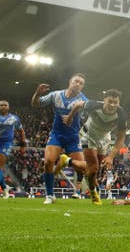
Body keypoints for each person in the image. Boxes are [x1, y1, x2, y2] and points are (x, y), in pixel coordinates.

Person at [62, 89, 128, 205]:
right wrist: (69, 117)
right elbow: (78, 105)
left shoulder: (121, 115)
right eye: (110, 101)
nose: (112, 105)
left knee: (94, 169)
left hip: (104, 139)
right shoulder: (93, 105)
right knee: (94, 168)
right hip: (88, 135)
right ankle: (94, 195)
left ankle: (68, 161)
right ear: (104, 100)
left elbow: (121, 138)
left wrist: (111, 156)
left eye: (115, 102)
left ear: (119, 103)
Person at [31, 73, 89, 204]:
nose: (78, 84)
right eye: (76, 81)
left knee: (83, 168)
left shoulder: (83, 99)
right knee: (48, 162)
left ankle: (66, 162)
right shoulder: (55, 95)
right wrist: (37, 93)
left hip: (73, 137)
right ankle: (50, 195)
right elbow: (35, 104)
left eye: (81, 83)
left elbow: (89, 115)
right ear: (70, 81)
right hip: (56, 135)